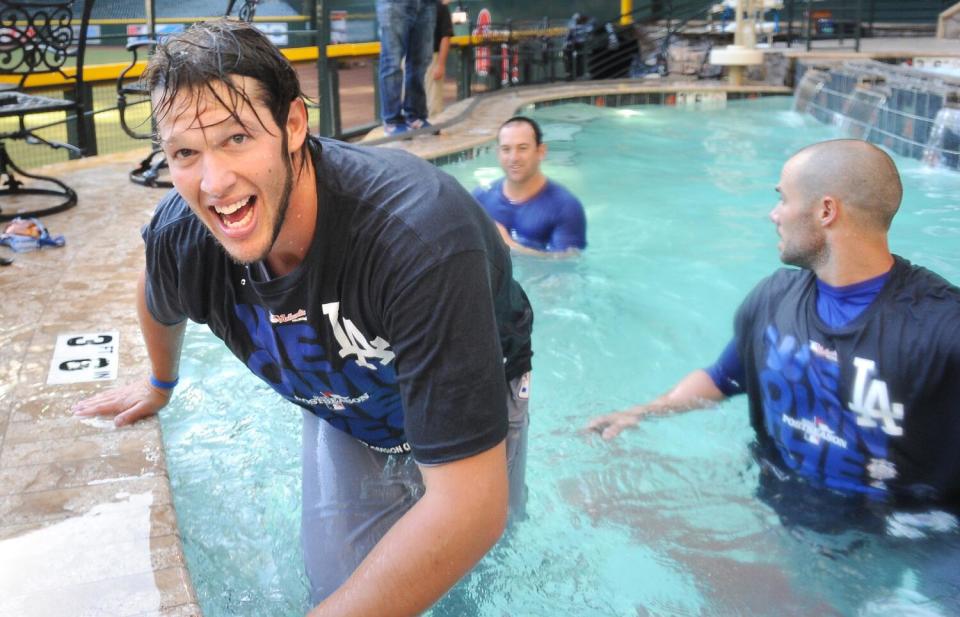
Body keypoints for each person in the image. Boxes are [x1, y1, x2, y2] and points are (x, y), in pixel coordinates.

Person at [71, 20, 534, 616]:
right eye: (185, 152)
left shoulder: (417, 238)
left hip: (483, 373)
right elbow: (155, 295)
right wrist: (161, 383)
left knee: (481, 569)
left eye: (236, 138)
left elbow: (471, 507)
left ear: (293, 124)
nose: (214, 183)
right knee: (337, 596)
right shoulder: (181, 240)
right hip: (348, 407)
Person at [587, 139, 960, 508]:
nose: (774, 214)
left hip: (903, 531)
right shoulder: (773, 299)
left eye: (783, 199)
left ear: (825, 210)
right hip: (782, 502)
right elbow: (724, 377)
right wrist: (646, 411)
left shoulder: (941, 326)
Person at [473, 116, 587, 256]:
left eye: (522, 148)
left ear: (541, 151)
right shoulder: (480, 199)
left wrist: (509, 246)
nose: (513, 158)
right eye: (506, 149)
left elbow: (568, 265)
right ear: (498, 153)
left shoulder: (565, 207)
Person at [376, 0, 436, 136]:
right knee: (392, 61)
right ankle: (392, 120)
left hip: (427, 4)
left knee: (421, 60)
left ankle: (415, 116)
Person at [425, 0, 453, 118]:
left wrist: (440, 64)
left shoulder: (439, 7)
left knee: (433, 105)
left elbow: (445, 38)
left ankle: (434, 131)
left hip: (432, 58)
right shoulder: (410, 6)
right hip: (410, 58)